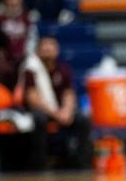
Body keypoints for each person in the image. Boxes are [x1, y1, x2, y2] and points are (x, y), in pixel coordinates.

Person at [21, 36, 93, 170]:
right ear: (38, 51)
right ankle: (40, 164)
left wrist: (66, 110)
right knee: (39, 119)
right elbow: (32, 97)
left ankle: (81, 163)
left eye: (51, 45)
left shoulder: (63, 69)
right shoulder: (31, 69)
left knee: (83, 120)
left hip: (61, 110)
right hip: (43, 110)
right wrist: (55, 114)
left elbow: (69, 93)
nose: (48, 48)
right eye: (44, 45)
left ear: (57, 49)